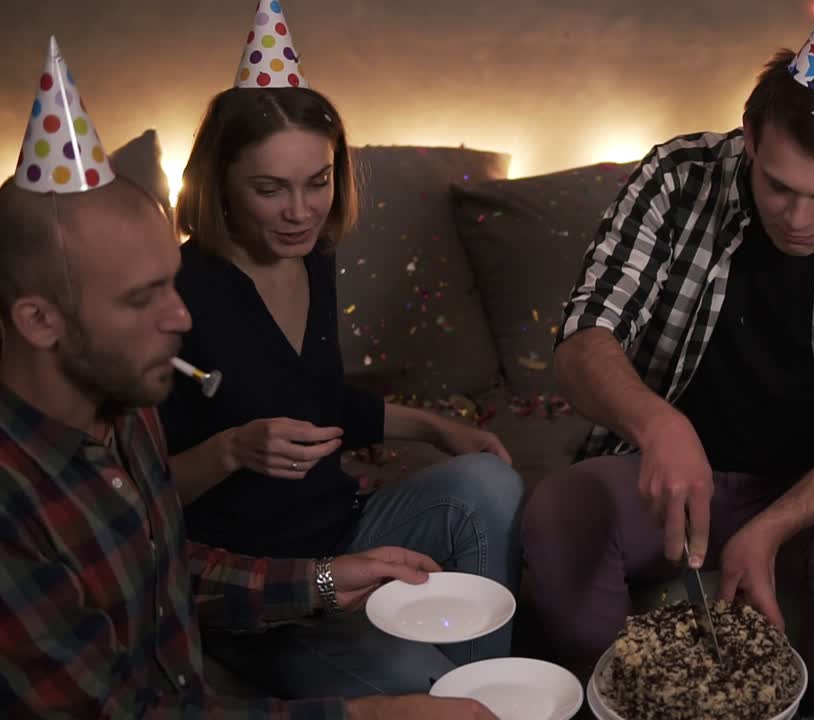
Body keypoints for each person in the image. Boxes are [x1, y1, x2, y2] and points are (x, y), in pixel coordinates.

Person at [0, 36, 496, 720]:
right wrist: (371, 714)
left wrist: (324, 580)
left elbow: (169, 567)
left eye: (317, 182)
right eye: (143, 298)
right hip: (233, 638)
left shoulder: (122, 418)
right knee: (422, 687)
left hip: (300, 562)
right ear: (37, 320)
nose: (180, 317)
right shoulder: (20, 499)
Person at [522, 2, 814, 718]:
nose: (798, 219)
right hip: (670, 479)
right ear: (749, 136)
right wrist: (657, 424)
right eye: (778, 185)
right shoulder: (676, 175)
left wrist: (773, 527)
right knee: (562, 509)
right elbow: (585, 337)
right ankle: (614, 705)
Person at [158, 0, 523, 699]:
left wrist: (436, 427)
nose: (301, 211)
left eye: (317, 181)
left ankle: (483, 685)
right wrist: (231, 450)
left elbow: (314, 400)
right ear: (221, 182)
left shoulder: (315, 256)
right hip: (256, 593)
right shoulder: (176, 294)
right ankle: (457, 698)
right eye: (270, 189)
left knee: (487, 481)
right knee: (418, 684)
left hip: (342, 533)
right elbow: (139, 497)